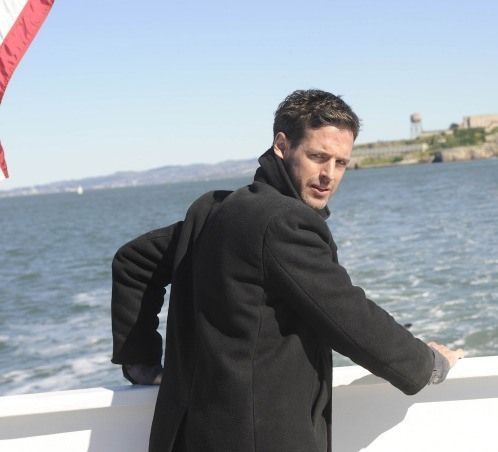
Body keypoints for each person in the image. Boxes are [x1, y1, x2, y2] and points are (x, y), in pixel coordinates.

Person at [111, 89, 463, 452]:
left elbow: (133, 261)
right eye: (318, 157)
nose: (329, 175)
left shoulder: (214, 210)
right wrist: (429, 363)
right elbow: (350, 318)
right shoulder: (283, 223)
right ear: (282, 145)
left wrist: (140, 362)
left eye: (341, 162)